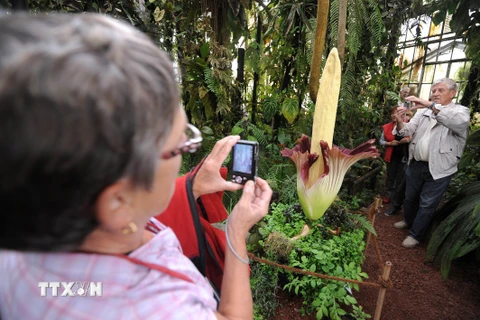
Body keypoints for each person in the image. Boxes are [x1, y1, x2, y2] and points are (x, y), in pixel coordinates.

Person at [0, 13, 272, 319]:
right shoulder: (159, 309)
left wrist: (191, 188)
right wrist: (235, 233)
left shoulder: (22, 238)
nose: (188, 150)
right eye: (181, 146)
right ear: (117, 201)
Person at [392, 78, 470, 248]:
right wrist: (399, 121)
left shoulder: (460, 112)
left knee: (427, 203)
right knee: (410, 198)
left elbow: (457, 123)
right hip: (417, 164)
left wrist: (429, 105)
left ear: (453, 93)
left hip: (440, 168)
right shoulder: (422, 112)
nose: (435, 93)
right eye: (434, 90)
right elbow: (407, 130)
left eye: (440, 90)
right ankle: (408, 220)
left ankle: (415, 234)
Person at [383, 110, 413, 216]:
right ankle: (389, 196)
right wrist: (390, 143)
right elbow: (381, 140)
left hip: (404, 158)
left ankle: (396, 200)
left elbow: (416, 139)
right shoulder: (388, 127)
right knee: (391, 176)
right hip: (392, 156)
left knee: (400, 179)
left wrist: (409, 140)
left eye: (407, 115)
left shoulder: (411, 127)